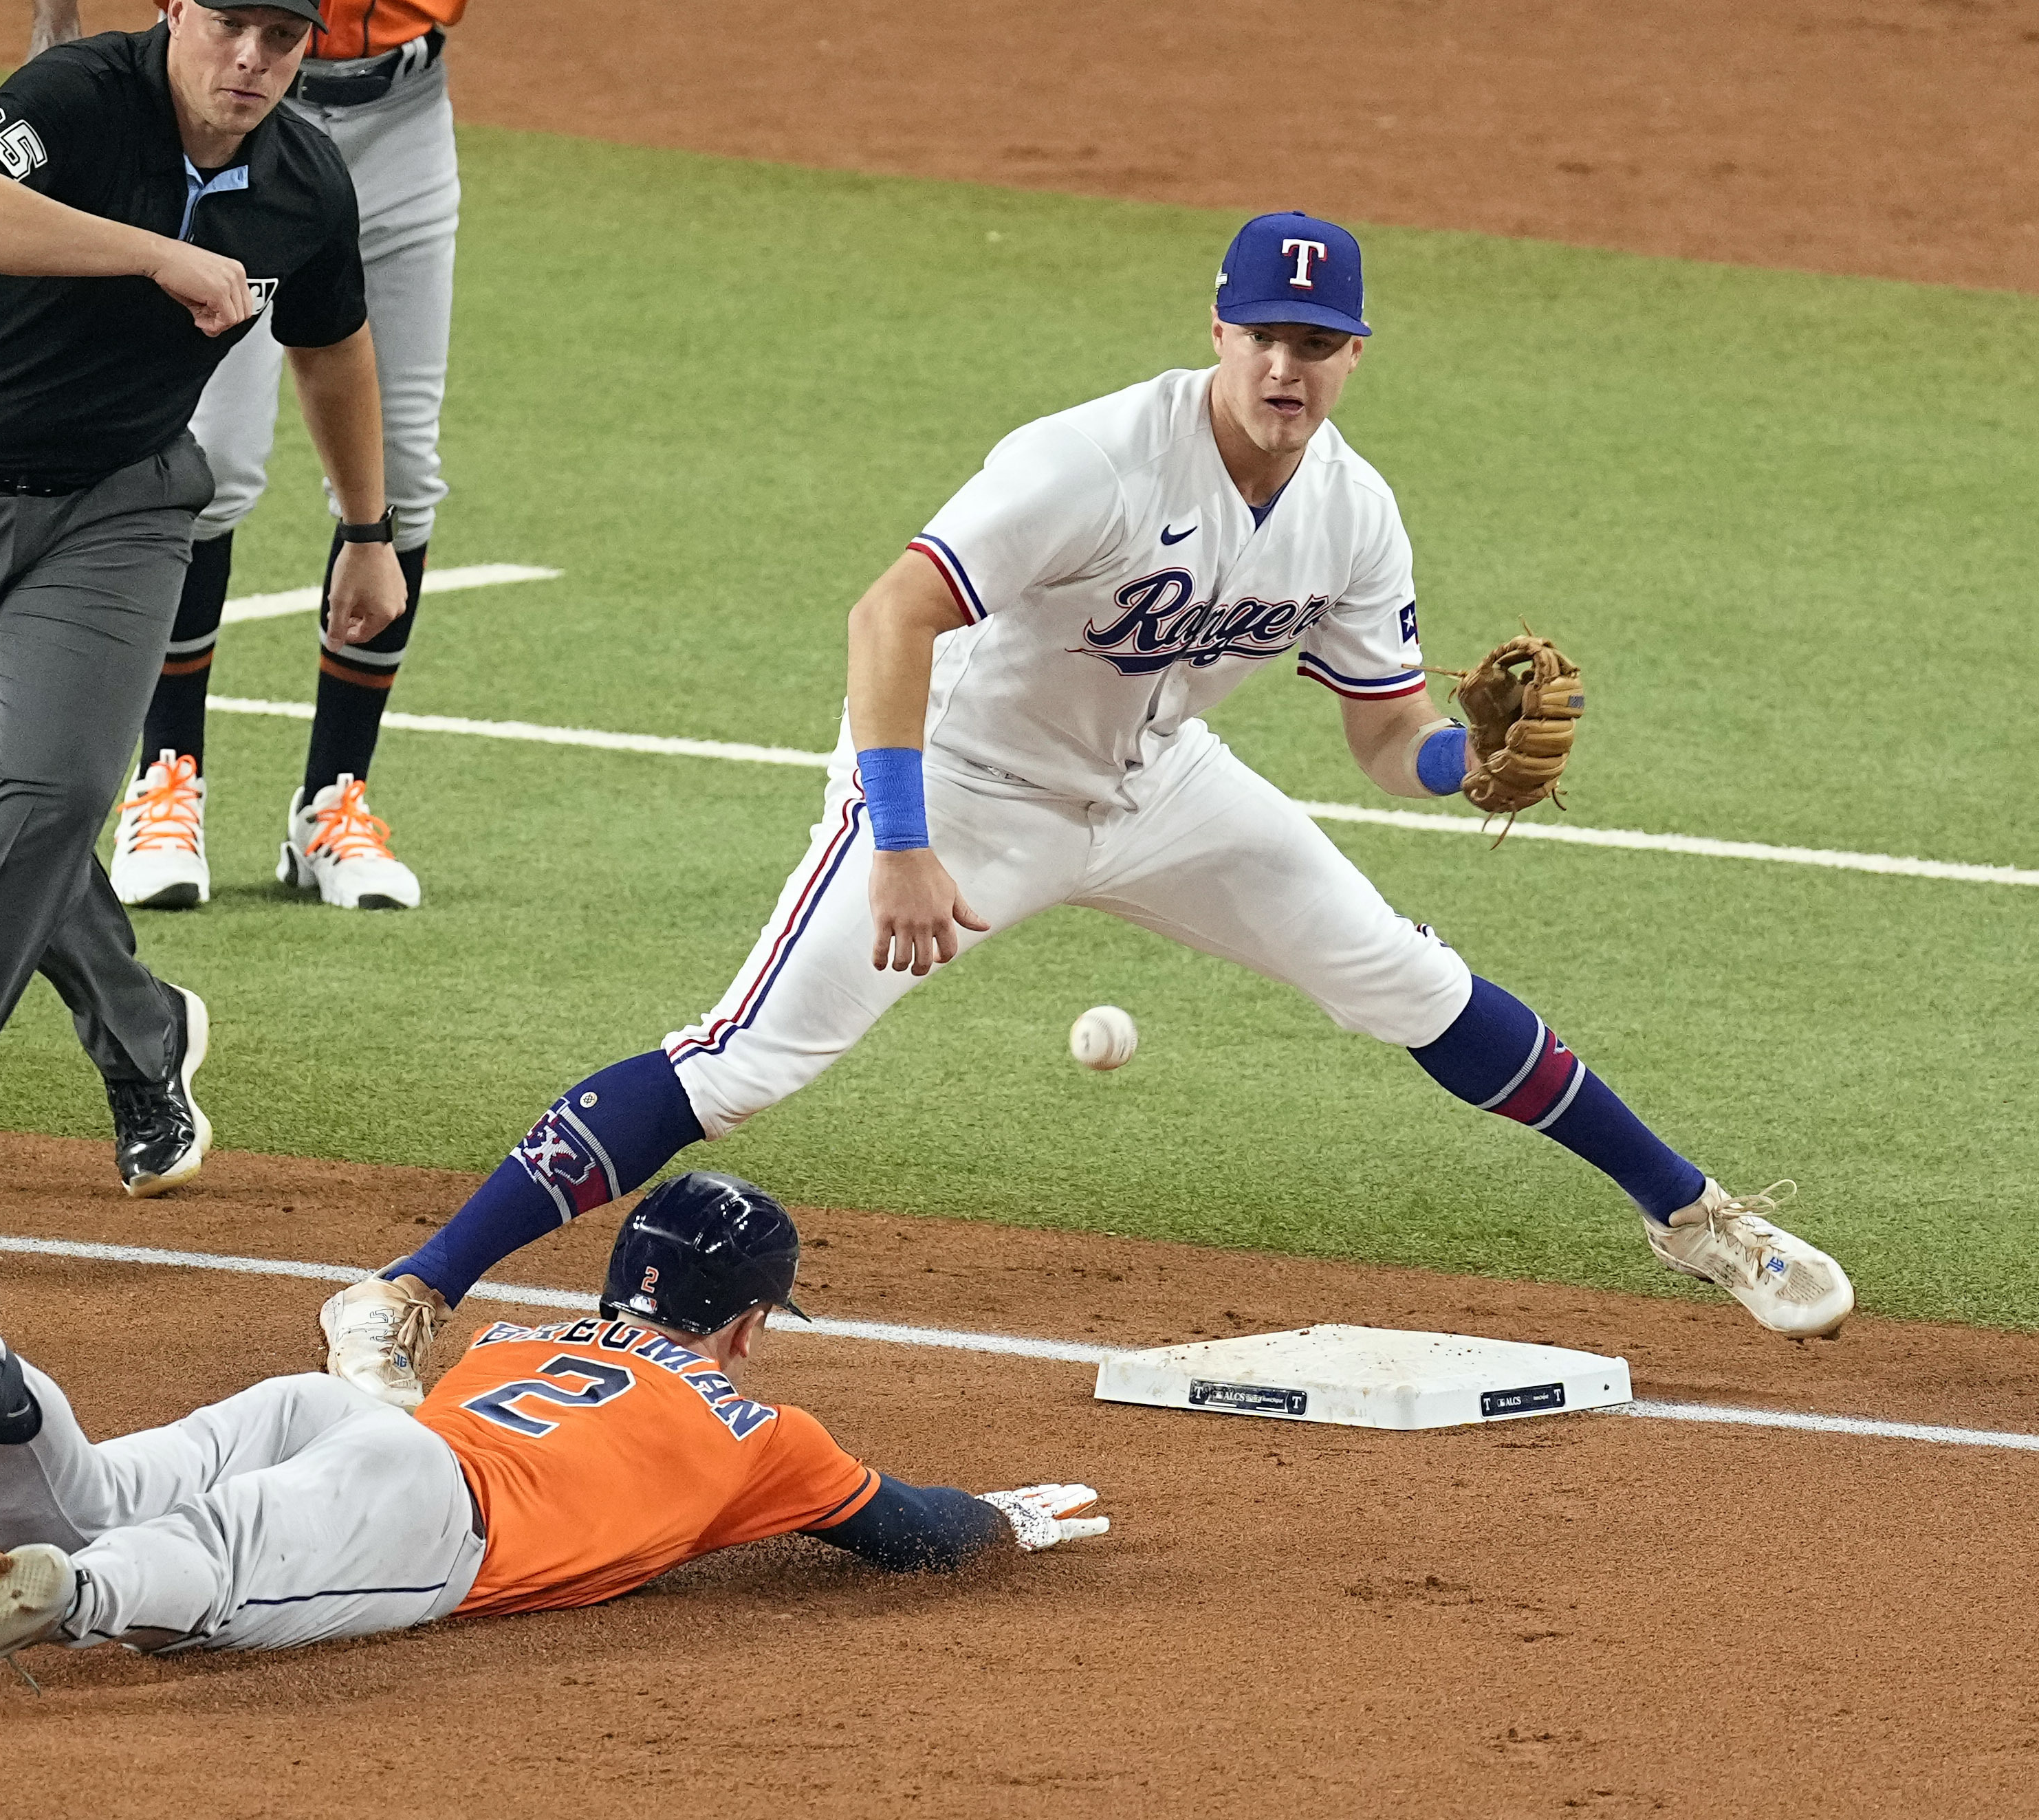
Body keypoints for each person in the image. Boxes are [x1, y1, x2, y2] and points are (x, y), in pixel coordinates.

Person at [315, 211, 1857, 1404]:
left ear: (1352, 353)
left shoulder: (1349, 509)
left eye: (1315, 342)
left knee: (1403, 977)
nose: (1284, 367)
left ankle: (1697, 1216)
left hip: (1161, 786)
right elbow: (886, 618)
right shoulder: (1091, 460)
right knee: (743, 1060)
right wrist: (903, 842)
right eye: (1263, 333)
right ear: (1219, 328)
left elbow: (1385, 739)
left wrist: (1466, 761)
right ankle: (405, 1288)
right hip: (964, 792)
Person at [0, 0, 408, 1241]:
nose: (252, 62)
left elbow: (332, 347)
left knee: (57, 795)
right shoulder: (75, 94)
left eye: (283, 39)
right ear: (174, 11)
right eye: (229, 24)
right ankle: (145, 1027)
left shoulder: (301, 184)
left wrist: (368, 531)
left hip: (120, 510)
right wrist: (152, 252)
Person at [0, 1173, 1109, 1713]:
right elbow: (911, 1535)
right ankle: (72, 1600)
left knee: (97, 1492)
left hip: (345, 1411)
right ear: (745, 1323)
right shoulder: (767, 1432)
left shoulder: (517, 1337)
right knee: (196, 1581)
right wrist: (1005, 1521)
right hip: (424, 1515)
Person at [35, 0, 469, 914]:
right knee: (208, 459)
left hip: (407, 117)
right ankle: (166, 781)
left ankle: (334, 804)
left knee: (401, 474)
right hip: (246, 110)